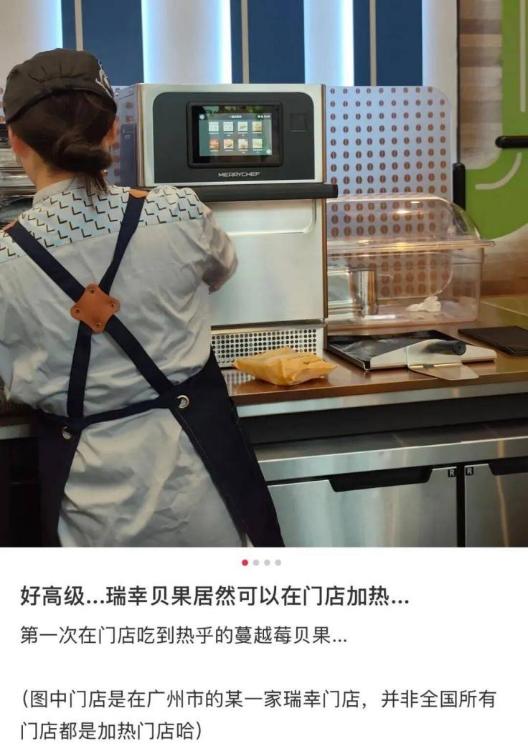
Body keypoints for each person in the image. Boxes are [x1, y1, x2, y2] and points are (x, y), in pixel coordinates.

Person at [0, 48, 283, 548]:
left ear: (14, 140)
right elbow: (220, 272)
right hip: (203, 485)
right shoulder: (178, 211)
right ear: (113, 130)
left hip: (90, 507)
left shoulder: (5, 258)